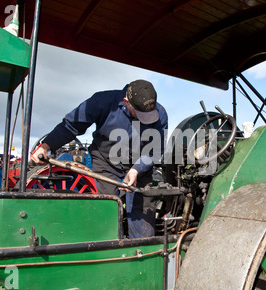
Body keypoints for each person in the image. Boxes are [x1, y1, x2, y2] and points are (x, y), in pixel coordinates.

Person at [31, 80, 168, 238]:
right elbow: (71, 125)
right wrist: (46, 146)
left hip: (139, 167)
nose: (146, 119)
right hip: (106, 164)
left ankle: (142, 254)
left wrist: (136, 169)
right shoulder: (102, 102)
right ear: (126, 102)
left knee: (142, 221)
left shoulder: (160, 114)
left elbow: (155, 149)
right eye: (140, 114)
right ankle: (112, 251)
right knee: (107, 214)